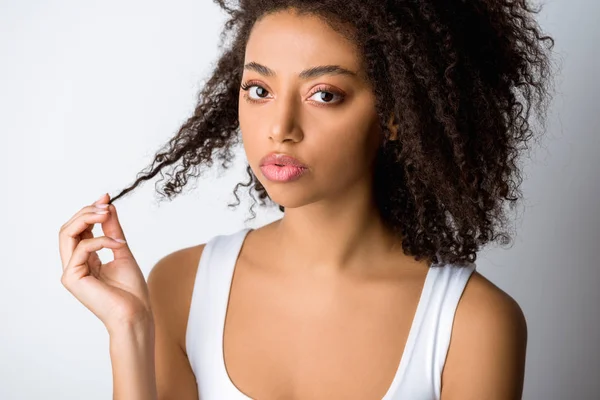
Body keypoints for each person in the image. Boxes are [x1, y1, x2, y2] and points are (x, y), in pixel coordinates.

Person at [58, 1, 555, 399]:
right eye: (258, 89)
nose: (280, 128)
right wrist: (128, 329)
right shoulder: (180, 286)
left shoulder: (473, 322)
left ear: (397, 114)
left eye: (325, 94)